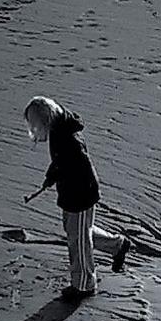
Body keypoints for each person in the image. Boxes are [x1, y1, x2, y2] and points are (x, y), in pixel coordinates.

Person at [22, 96, 128, 297]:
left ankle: (84, 284)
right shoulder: (60, 130)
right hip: (73, 192)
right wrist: (51, 177)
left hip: (80, 194)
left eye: (35, 125)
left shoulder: (68, 138)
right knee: (79, 231)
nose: (35, 131)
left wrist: (61, 177)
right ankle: (117, 245)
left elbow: (78, 165)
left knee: (78, 239)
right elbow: (61, 161)